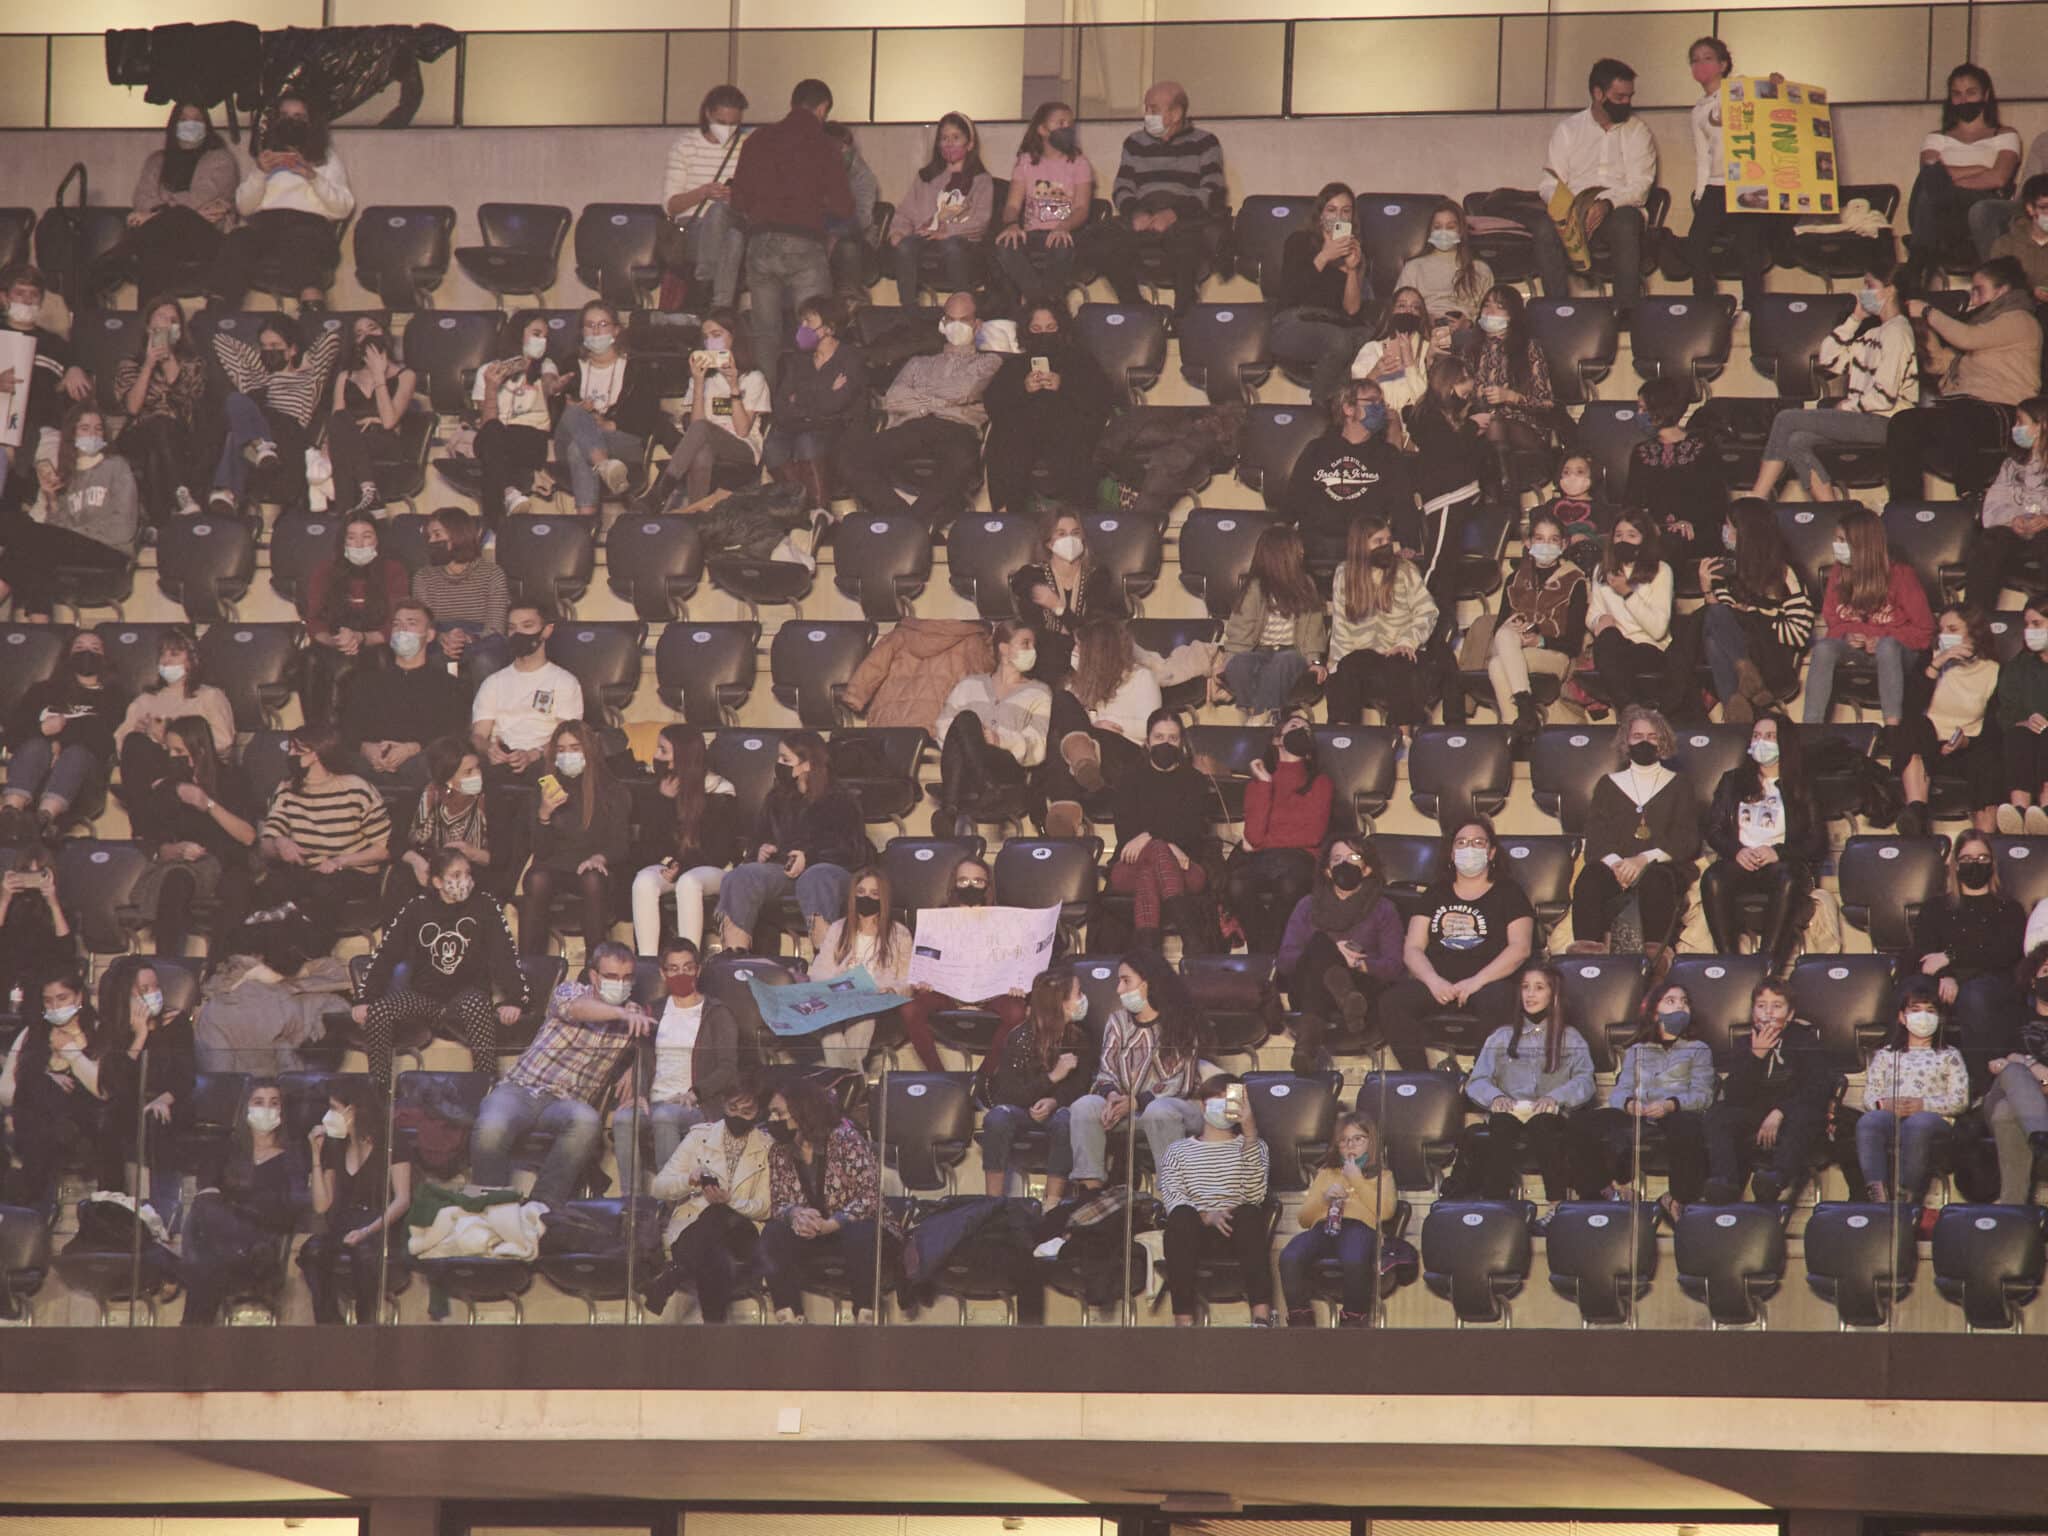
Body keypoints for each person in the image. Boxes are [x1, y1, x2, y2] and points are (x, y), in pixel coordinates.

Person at [471, 941, 651, 1206]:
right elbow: (578, 1010)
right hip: (522, 1088)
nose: (620, 984)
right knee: (491, 1127)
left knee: (588, 1121)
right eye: (612, 977)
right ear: (593, 976)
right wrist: (620, 1013)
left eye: (626, 978)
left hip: (566, 1103)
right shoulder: (570, 990)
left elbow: (651, 1046)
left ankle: (542, 1209)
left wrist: (637, 1070)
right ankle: (489, 1208)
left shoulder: (634, 1015)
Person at [1749, 259, 1920, 503]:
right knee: (1796, 440)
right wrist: (1855, 319)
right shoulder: (1873, 333)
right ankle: (1832, 511)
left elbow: (1885, 397)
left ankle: (1756, 498)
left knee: (1786, 418)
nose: (1864, 292)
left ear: (1890, 290)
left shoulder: (1898, 331)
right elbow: (1829, 360)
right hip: (1865, 418)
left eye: (1869, 285)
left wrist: (1847, 406)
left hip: (1888, 423)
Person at [1374, 819, 1537, 1072]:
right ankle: (1420, 1078)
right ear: (1451, 853)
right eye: (1461, 843)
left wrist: (1476, 982)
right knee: (1392, 1002)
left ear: (1491, 852)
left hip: (1489, 982)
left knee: (1501, 999)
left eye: (1477, 842)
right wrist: (1432, 981)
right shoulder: (1435, 893)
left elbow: (1520, 948)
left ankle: (1480, 1079)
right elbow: (1413, 947)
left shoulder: (1509, 892)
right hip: (1439, 981)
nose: (1468, 848)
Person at [354, 847, 524, 1087]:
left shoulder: (485, 906)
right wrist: (365, 997)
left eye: (467, 873)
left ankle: (484, 1089)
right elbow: (386, 954)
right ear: (437, 881)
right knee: (379, 1011)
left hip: (467, 998)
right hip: (425, 1000)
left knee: (477, 1003)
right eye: (455, 875)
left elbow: (504, 953)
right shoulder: (416, 908)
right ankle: (379, 1092)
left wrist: (515, 998)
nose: (464, 880)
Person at [836, 289, 1000, 530]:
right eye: (950, 319)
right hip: (912, 427)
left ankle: (907, 524)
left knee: (963, 461)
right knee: (849, 458)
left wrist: (920, 396)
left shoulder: (989, 362)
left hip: (956, 429)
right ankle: (909, 519)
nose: (956, 326)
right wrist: (939, 402)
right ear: (942, 323)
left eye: (963, 320)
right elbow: (893, 400)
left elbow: (963, 391)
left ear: (977, 325)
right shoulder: (918, 362)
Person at [731, 79, 851, 388]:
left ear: (793, 103)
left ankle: (764, 406)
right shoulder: (825, 144)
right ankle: (812, 398)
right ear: (822, 109)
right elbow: (843, 206)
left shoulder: (757, 139)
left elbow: (738, 200)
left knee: (765, 333)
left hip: (760, 244)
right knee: (814, 328)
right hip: (804, 243)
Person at [1892, 257, 2044, 500]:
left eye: (1978, 291)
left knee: (1961, 415)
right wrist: (1921, 330)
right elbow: (1941, 364)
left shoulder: (2020, 320)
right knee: (1903, 423)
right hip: (1965, 409)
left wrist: (1928, 311)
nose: (1972, 299)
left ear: (2002, 291)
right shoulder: (1981, 324)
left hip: (2006, 413)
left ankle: (1970, 496)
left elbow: (1967, 338)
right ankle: (1905, 508)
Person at [1448, 961, 1596, 1203]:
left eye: (1539, 987)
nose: (1530, 994)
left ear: (1553, 993)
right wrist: (1495, 1097)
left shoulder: (1571, 1037)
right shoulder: (1501, 1036)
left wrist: (1556, 1097)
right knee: (1501, 1125)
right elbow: (1478, 1080)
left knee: (1543, 1124)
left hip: (1550, 1113)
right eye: (1526, 987)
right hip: (1511, 1110)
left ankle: (1557, 1203)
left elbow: (1585, 1080)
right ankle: (1495, 1202)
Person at [755, 1076, 895, 1323]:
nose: (773, 1120)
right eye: (771, 1114)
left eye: (778, 1113)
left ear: (801, 1109)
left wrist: (833, 1223)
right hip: (814, 1232)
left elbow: (870, 1196)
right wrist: (795, 1214)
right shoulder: (779, 1150)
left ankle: (865, 1315)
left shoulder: (845, 1138)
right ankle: (790, 1316)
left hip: (855, 1226)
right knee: (773, 1233)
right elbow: (779, 1202)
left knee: (860, 1232)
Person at [612, 937, 747, 1191]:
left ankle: (669, 1200)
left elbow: (728, 1069)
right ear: (663, 974)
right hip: (654, 1101)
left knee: (665, 1117)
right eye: (673, 969)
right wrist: (640, 1093)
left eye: (687, 967)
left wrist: (694, 1094)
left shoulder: (717, 1013)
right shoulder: (652, 1011)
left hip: (697, 1103)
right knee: (622, 1119)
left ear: (698, 970)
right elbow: (643, 1058)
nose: (681, 974)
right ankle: (632, 1202)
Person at [1571, 984, 1715, 1221]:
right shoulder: (1637, 1050)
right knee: (1581, 1123)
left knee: (1687, 1126)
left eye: (1684, 1001)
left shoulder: (1699, 1049)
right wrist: (1629, 1104)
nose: (1679, 1005)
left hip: (1676, 1112)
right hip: (1639, 1112)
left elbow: (1703, 1095)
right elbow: (1620, 1092)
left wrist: (1670, 1104)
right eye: (1671, 1000)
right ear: (1655, 1012)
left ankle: (1676, 1199)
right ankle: (1603, 1191)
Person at [1067, 950, 1207, 1190]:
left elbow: (1179, 1084)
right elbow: (1106, 1072)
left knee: (1159, 1110)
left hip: (1175, 1109)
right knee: (1084, 1106)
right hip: (1127, 1109)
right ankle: (1090, 1192)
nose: (1119, 990)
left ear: (1148, 983)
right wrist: (1112, 1096)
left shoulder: (1182, 1021)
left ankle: (1173, 1196)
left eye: (1125, 980)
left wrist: (1136, 1102)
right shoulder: (1117, 1021)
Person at [716, 731, 864, 955]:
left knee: (815, 876)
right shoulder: (777, 797)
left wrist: (809, 856)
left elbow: (851, 850)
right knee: (742, 875)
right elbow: (759, 838)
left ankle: (826, 959)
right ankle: (735, 958)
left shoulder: (839, 798)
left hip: (830, 873)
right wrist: (761, 851)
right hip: (785, 872)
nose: (778, 764)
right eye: (779, 758)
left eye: (785, 759)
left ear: (806, 765)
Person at [250, 723, 391, 952]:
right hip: (307, 871)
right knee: (272, 886)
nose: (290, 756)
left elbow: (382, 850)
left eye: (297, 750)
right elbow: (266, 845)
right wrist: (280, 842)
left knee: (325, 889)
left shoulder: (357, 789)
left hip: (351, 873)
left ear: (316, 754)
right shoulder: (286, 789)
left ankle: (308, 952)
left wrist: (339, 861)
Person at [1698, 713, 1823, 970]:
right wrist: (1736, 852)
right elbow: (1714, 829)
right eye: (1756, 736)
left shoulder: (1801, 785)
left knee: (1788, 879)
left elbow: (1816, 840)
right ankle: (1729, 962)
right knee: (1712, 877)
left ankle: (1766, 965)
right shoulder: (1732, 780)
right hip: (1740, 860)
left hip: (1781, 864)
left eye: (1769, 736)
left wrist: (1779, 852)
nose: (1761, 741)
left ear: (1784, 743)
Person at [642, 1075, 772, 1321]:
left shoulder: (768, 1147)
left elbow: (765, 1207)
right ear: (723, 1105)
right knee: (713, 1256)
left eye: (746, 1111)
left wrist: (730, 1201)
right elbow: (659, 1187)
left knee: (719, 1212)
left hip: (743, 1235)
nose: (737, 1116)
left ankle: (672, 1275)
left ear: (759, 1111)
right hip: (694, 1233)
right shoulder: (699, 1138)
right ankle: (714, 1331)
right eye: (732, 1108)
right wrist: (689, 1180)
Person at [1530, 59, 1657, 310]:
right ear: (1598, 94)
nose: (1627, 103)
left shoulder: (1638, 132)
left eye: (1629, 97)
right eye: (1619, 97)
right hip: (1573, 211)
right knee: (1544, 229)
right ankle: (1559, 313)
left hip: (1618, 211)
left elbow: (1641, 186)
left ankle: (1626, 313)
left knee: (1626, 222)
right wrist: (1569, 208)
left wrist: (1608, 204)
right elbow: (1549, 183)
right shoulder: (1569, 129)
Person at [127, 715, 258, 956]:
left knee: (236, 889)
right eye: (169, 750)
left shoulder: (232, 779)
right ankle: (167, 964)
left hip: (228, 862)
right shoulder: (168, 787)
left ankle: (219, 967)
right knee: (175, 880)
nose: (173, 757)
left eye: (179, 750)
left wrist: (206, 803)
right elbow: (155, 843)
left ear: (199, 748)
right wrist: (176, 850)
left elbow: (248, 836)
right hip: (189, 865)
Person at [1570, 707, 1698, 952]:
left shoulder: (1679, 784)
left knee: (1657, 879)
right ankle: (1587, 958)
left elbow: (1687, 838)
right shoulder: (1608, 785)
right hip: (1615, 868)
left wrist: (1643, 859)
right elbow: (1596, 835)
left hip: (1662, 868)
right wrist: (1617, 864)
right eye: (1637, 736)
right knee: (1590, 877)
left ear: (1662, 742)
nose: (1645, 742)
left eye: (1652, 737)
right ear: (1626, 741)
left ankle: (1655, 957)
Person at [178, 1079, 306, 1325]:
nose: (266, 1109)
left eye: (273, 1103)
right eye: (258, 1102)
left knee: (204, 1259)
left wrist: (237, 1209)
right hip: (225, 1252)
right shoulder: (226, 1149)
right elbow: (206, 1192)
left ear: (282, 1110)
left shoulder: (292, 1157)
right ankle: (191, 1339)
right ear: (246, 1108)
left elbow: (289, 1211)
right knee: (204, 1214)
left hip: (262, 1249)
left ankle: (187, 1333)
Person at [1096, 81, 1227, 320]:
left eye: (1153, 109)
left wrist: (1173, 213)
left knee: (1188, 244)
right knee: (1103, 240)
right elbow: (1122, 187)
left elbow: (1212, 189)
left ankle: (1183, 318)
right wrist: (1136, 213)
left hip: (1184, 216)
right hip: (1143, 211)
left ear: (1176, 113)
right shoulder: (1134, 142)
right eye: (1146, 108)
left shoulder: (1205, 142)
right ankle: (1136, 310)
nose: (1147, 115)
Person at [209, 91, 352, 310]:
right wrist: (259, 173)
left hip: (310, 229)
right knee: (238, 240)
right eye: (284, 116)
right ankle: (217, 311)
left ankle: (312, 306)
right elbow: (244, 207)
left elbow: (343, 208)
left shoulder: (327, 159)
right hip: (266, 228)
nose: (290, 122)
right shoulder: (267, 156)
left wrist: (312, 176)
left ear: (310, 123)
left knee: (300, 240)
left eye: (298, 117)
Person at [1456, 508, 1588, 743]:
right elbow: (1498, 631)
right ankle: (1521, 721)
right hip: (1513, 651)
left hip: (1554, 655)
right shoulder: (1514, 579)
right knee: (1498, 657)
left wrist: (1541, 640)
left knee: (1500, 659)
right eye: (1539, 538)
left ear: (1564, 544)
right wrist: (1511, 626)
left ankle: (1519, 721)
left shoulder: (1575, 580)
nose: (1546, 544)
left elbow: (1574, 642)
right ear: (1528, 543)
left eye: (1553, 539)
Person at [1911, 829, 2026, 1092]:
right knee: (1911, 991)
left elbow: (2003, 953)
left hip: (1993, 984)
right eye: (1967, 858)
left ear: (1993, 864)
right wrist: (1947, 975)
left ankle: (1981, 1089)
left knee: (1974, 995)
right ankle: (1907, 1082)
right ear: (1955, 864)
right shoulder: (1935, 908)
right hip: (1946, 980)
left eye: (1983, 858)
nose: (1976, 865)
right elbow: (1926, 956)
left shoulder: (2009, 908)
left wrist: (1950, 957)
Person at [1701, 978, 1834, 1204]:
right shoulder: (1745, 1043)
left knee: (1806, 1115)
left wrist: (1780, 1111)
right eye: (1761, 1006)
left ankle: (1776, 1178)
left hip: (1792, 1113)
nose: (1768, 1013)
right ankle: (1726, 1182)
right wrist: (1756, 1056)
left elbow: (1818, 1087)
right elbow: (1735, 1094)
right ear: (1753, 1012)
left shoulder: (1804, 1039)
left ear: (1790, 1014)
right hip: (1754, 1112)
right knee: (1719, 1114)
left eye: (1777, 1006)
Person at [1277, 834, 1405, 1067]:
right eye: (1337, 859)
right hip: (1310, 988)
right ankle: (1345, 997)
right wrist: (1333, 953)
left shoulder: (1384, 909)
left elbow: (1394, 967)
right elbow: (1285, 962)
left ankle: (1306, 1046)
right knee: (1320, 944)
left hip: (1362, 991)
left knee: (1320, 950)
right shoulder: (1307, 906)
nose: (1345, 864)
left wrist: (1357, 964)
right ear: (1327, 871)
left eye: (1354, 857)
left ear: (1366, 869)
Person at [1157, 1073, 1273, 1326]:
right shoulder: (1178, 1151)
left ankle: (1262, 1316)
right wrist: (1207, 1216)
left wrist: (1250, 1131)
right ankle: (1183, 1319)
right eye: (1216, 1100)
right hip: (1194, 1232)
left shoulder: (1254, 1145)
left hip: (1237, 1229)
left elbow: (1255, 1194)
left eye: (1229, 1100)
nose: (1223, 1106)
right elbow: (1173, 1197)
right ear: (1202, 1104)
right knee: (1180, 1217)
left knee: (1251, 1214)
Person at [1803, 507, 1934, 728]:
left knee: (1887, 646)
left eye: (1842, 540)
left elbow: (1925, 632)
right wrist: (1846, 636)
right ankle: (1810, 728)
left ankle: (1893, 727)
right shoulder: (1839, 572)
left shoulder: (1901, 575)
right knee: (1824, 647)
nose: (1836, 546)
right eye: (1836, 539)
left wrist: (1881, 637)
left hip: (1897, 653)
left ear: (1862, 545)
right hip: (1857, 650)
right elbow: (1832, 620)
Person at [3, 412, 142, 620]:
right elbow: (57, 528)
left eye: (98, 429)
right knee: (31, 547)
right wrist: (51, 499)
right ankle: (41, 629)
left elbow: (123, 530)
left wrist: (72, 532)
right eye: (85, 428)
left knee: (25, 534)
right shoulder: (69, 476)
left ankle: (40, 625)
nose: (92, 434)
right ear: (72, 435)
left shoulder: (117, 466)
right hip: (76, 551)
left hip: (112, 554)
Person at [899, 855, 1030, 1074]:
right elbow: (926, 961)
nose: (970, 886)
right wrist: (924, 981)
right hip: (948, 993)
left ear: (988, 886)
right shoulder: (938, 920)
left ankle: (983, 1079)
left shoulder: (1005, 920)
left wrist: (1018, 984)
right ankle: (938, 1075)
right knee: (910, 1008)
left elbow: (1016, 963)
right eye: (963, 880)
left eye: (978, 881)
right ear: (954, 884)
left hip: (991, 994)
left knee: (1017, 1012)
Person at [983, 298, 1113, 517]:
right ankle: (1006, 515)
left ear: (1061, 328)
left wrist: (1065, 384)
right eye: (1036, 329)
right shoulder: (1015, 365)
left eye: (1051, 328)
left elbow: (1101, 399)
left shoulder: (1081, 360)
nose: (1044, 334)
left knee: (1076, 446)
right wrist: (1022, 388)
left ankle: (1080, 518)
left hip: (1068, 431)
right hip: (1023, 435)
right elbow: (993, 403)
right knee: (1005, 439)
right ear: (1026, 331)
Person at [0, 970, 117, 1214]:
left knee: (42, 1113)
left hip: (79, 1125)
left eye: (62, 998)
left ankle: (26, 1202)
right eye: (48, 1000)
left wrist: (71, 1053)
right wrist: (42, 1078)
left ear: (79, 997)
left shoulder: (99, 1033)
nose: (55, 1006)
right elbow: (5, 1089)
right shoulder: (32, 1034)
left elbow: (103, 1089)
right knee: (42, 1095)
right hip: (38, 1128)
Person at [298, 1079, 412, 1325]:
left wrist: (366, 1231)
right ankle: (329, 1323)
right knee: (312, 1251)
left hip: (380, 1224)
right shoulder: (334, 1145)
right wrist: (316, 1157)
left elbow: (402, 1200)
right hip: (343, 1223)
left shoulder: (392, 1142)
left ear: (355, 1110)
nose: (329, 1116)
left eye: (335, 1109)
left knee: (365, 1254)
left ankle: (366, 1326)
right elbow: (321, 1205)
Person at [1856, 984, 1969, 1232]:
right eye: (1915, 1010)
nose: (1923, 1016)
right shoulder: (1886, 1055)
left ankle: (1906, 1200)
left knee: (1919, 1124)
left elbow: (1960, 1100)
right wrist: (1884, 1104)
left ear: (1939, 1018)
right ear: (1901, 1017)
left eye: (1930, 1010)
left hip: (1934, 1120)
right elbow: (1870, 1095)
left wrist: (1922, 1105)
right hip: (1892, 1116)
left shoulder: (1950, 1055)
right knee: (1869, 1121)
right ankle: (1879, 1199)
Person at [205, 312, 340, 513]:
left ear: (292, 349)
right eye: (264, 346)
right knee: (235, 402)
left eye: (275, 346)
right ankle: (260, 447)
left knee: (239, 420)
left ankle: (226, 489)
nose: (269, 351)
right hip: (260, 440)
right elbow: (220, 340)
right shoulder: (256, 377)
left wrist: (305, 361)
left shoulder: (310, 379)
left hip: (289, 433)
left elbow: (332, 337)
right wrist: (260, 363)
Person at [976, 969, 1093, 1201]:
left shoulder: (1080, 1038)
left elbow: (1081, 1086)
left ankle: (1051, 1204)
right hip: (1022, 1108)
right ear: (1060, 1003)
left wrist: (1054, 1101)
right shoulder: (1019, 1037)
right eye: (1078, 994)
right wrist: (1051, 1078)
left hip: (1058, 1110)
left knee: (1065, 1120)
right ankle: (991, 1203)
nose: (1083, 999)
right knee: (997, 1118)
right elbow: (1006, 1093)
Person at [518, 719, 630, 958]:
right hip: (555, 866)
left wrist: (600, 858)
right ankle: (528, 970)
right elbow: (540, 850)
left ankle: (595, 965)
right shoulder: (544, 790)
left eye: (575, 748)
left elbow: (621, 843)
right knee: (537, 878)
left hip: (594, 866)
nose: (567, 754)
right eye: (561, 749)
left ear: (589, 750)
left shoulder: (612, 790)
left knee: (592, 879)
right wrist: (544, 815)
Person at [931, 620, 1053, 838]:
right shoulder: (969, 685)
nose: (1031, 650)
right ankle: (983, 787)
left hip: (1006, 766)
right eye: (1025, 644)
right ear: (1004, 648)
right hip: (965, 768)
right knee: (965, 719)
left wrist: (999, 740)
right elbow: (942, 729)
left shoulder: (1039, 692)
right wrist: (976, 737)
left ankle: (949, 810)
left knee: (966, 721)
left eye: (1034, 645)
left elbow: (1039, 745)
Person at [1, 627, 126, 839]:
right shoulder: (43, 691)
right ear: (68, 654)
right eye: (79, 647)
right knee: (36, 746)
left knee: (76, 753)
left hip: (84, 780)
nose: (87, 652)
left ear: (105, 657)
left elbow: (104, 739)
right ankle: (10, 814)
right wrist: (42, 731)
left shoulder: (114, 697)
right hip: (34, 768)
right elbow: (12, 735)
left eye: (95, 648)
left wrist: (59, 740)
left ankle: (44, 819)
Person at [1699, 498, 1814, 724]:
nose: (1724, 532)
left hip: (1773, 662)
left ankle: (1735, 708)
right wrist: (1707, 589)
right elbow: (1719, 622)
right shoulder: (1726, 570)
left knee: (1717, 628)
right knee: (1713, 633)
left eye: (1729, 527)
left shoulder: (1784, 574)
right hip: (1739, 658)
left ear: (1746, 533)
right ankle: (1740, 695)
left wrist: (1756, 617)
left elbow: (1799, 633)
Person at [1904, 65, 2022, 286]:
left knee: (1933, 190)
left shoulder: (2005, 135)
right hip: (1941, 214)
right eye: (1957, 94)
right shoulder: (1935, 137)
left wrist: (1949, 177)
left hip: (1981, 207)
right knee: (1930, 184)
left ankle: (1915, 266)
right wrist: (1979, 167)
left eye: (1971, 92)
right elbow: (1929, 174)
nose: (1964, 100)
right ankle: (1918, 269)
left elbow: (1998, 179)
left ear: (1985, 95)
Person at [629, 726, 741, 957]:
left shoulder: (719, 790)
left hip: (714, 869)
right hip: (674, 866)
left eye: (664, 750)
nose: (657, 756)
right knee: (644, 881)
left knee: (689, 882)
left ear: (683, 756)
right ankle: (648, 961)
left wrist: (681, 866)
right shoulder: (660, 789)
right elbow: (648, 847)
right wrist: (663, 802)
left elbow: (718, 852)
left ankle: (688, 961)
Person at [1227, 710, 1333, 955]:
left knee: (1290, 884)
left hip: (1301, 859)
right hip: (1263, 860)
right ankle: (1263, 954)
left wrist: (1264, 842)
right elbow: (1252, 835)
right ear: (1277, 739)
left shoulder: (1320, 782)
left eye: (1305, 731)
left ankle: (1268, 956)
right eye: (1294, 726)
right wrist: (1264, 783)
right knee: (1237, 885)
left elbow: (1313, 835)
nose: (1300, 732)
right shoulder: (1259, 783)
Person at [99, 964, 196, 1227]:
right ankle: (117, 1211)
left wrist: (165, 1097)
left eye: (156, 987)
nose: (154, 993)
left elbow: (185, 1076)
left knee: (154, 1120)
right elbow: (117, 1083)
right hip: (129, 1105)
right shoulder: (113, 1030)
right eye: (144, 989)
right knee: (115, 1118)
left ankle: (158, 1215)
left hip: (170, 1103)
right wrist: (140, 1035)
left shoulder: (176, 1024)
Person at [1289, 380, 1420, 575]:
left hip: (1366, 551)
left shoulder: (1388, 456)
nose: (1381, 408)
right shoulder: (1317, 450)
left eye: (1381, 403)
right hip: (1318, 548)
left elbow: (1403, 505)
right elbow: (1294, 499)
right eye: (1373, 401)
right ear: (1348, 408)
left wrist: (1408, 543)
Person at [109, 104, 237, 302]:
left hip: (205, 238)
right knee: (156, 249)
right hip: (163, 238)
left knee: (179, 217)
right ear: (173, 125)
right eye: (184, 120)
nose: (190, 124)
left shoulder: (221, 159)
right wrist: (166, 214)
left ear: (207, 125)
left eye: (197, 120)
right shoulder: (156, 160)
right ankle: (149, 321)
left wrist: (154, 215)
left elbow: (202, 197)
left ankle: (110, 263)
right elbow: (142, 198)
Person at [644, 308, 769, 510]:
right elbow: (694, 428)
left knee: (703, 431)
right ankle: (696, 517)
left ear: (734, 337)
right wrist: (699, 382)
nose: (710, 342)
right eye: (706, 337)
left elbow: (743, 430)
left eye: (717, 335)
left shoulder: (754, 378)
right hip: (706, 439)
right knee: (701, 451)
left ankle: (661, 490)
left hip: (742, 447)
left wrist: (734, 387)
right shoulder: (703, 377)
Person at [1108, 709, 1213, 951]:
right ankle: (1191, 935)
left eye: (1172, 738)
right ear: (1147, 741)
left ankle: (1148, 954)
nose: (1165, 743)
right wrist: (1166, 843)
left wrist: (1148, 835)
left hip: (1187, 868)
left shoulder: (1194, 781)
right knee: (1154, 854)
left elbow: (1192, 830)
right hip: (1129, 867)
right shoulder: (1129, 779)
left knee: (1150, 870)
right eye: (1159, 737)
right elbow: (1126, 835)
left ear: (1181, 743)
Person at [545, 300, 660, 520]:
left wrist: (610, 424)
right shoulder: (569, 365)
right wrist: (562, 401)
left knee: (579, 450)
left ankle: (584, 524)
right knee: (575, 413)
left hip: (621, 442)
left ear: (616, 330)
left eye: (603, 324)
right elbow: (553, 412)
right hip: (570, 435)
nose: (596, 331)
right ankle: (603, 464)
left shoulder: (637, 369)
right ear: (581, 331)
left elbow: (648, 418)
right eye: (590, 325)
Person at [1895, 605, 2003, 837]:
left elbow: (1995, 728)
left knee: (1988, 757)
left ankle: (1984, 839)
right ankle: (1916, 813)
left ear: (1973, 633)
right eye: (1942, 630)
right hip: (1926, 745)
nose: (1945, 635)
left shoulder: (1994, 671)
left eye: (1953, 629)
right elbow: (1910, 706)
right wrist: (1936, 664)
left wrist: (1966, 743)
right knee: (1913, 726)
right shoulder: (1930, 660)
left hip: (1968, 747)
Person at [1324, 516, 1438, 733]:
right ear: (1361, 544)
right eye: (1378, 541)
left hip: (1402, 651)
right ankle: (1342, 738)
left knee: (1399, 665)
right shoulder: (1343, 573)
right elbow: (1341, 625)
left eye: (1388, 540)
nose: (1386, 546)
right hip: (1365, 655)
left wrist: (1408, 641)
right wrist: (1336, 664)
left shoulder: (1405, 570)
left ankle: (1402, 736)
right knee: (1346, 668)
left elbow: (1428, 612)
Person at [1682, 37, 1771, 314]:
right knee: (1696, 242)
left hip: (1747, 182)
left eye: (1708, 58)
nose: (1701, 64)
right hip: (1716, 185)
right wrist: (1699, 194)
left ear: (1722, 64)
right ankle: (1705, 306)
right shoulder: (1698, 110)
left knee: (1748, 246)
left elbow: (1775, 100)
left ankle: (1752, 308)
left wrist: (1776, 83)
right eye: (1695, 60)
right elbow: (1703, 157)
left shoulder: (1741, 88)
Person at [340, 600, 467, 788]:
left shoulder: (447, 684)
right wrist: (366, 748)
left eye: (411, 623)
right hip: (370, 762)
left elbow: (452, 732)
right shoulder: (366, 681)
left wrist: (412, 748)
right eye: (397, 624)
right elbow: (348, 728)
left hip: (419, 764)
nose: (402, 630)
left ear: (430, 635)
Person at [302, 512, 410, 727]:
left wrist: (362, 638)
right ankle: (320, 732)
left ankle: (378, 730)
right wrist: (336, 641)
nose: (359, 544)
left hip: (377, 641)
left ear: (377, 539)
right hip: (335, 641)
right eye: (351, 537)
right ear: (343, 541)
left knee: (380, 659)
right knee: (310, 660)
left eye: (367, 536)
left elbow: (396, 622)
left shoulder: (394, 570)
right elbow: (315, 620)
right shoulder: (325, 570)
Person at [760, 295, 866, 508]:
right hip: (799, 424)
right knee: (773, 445)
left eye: (809, 322)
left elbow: (836, 405)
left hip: (837, 427)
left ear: (829, 328)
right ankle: (801, 508)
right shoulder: (797, 359)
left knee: (807, 442)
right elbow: (781, 404)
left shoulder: (850, 357)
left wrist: (801, 400)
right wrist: (826, 391)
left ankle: (819, 509)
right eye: (802, 322)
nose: (803, 327)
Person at [804, 866, 914, 1066]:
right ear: (853, 895)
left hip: (878, 1003)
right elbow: (820, 970)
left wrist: (892, 989)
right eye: (861, 892)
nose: (867, 898)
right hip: (840, 997)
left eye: (874, 894)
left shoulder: (900, 933)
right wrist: (832, 988)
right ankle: (850, 1079)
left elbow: (908, 979)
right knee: (829, 1016)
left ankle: (842, 1077)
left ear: (884, 899)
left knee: (861, 1012)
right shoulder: (838, 928)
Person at [111, 295, 208, 522]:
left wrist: (166, 359)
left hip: (180, 434)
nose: (166, 324)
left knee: (158, 449)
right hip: (137, 432)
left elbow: (188, 397)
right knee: (158, 426)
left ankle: (159, 522)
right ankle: (181, 493)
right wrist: (148, 364)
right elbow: (133, 407)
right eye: (161, 317)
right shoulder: (128, 364)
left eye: (173, 320)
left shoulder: (193, 363)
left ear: (180, 331)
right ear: (148, 326)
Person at [1219, 525, 1328, 725]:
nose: (1302, 552)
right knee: (1240, 665)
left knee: (1284, 661)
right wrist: (1229, 661)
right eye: (1298, 548)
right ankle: (1258, 712)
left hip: (1293, 653)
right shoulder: (1255, 588)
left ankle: (1261, 715)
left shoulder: (1306, 585)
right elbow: (1241, 629)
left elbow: (1314, 631)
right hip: (1260, 651)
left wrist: (1316, 662)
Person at [1280, 1113, 1380, 1328]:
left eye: (1358, 1139)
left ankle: (1354, 1318)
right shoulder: (1326, 1173)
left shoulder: (1382, 1175)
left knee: (1354, 1254)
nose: (1350, 1145)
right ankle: (1301, 1319)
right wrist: (1324, 1200)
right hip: (1322, 1229)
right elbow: (1304, 1218)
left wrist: (1356, 1179)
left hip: (1358, 1230)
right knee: (1290, 1255)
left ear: (1371, 1143)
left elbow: (1386, 1211)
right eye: (1344, 1141)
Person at [887, 112, 994, 307]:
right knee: (905, 247)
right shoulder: (926, 176)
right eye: (944, 138)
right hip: (925, 236)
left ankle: (964, 308)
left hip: (963, 239)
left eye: (956, 138)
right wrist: (898, 232)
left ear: (969, 144)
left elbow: (981, 220)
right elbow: (906, 211)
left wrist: (948, 232)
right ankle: (909, 310)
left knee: (952, 247)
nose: (949, 143)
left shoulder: (982, 180)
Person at [469, 603, 585, 782]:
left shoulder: (564, 682)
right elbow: (478, 736)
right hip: (501, 760)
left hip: (543, 760)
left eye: (527, 626)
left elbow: (567, 737)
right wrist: (489, 748)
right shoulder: (493, 682)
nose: (519, 634)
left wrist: (533, 754)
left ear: (546, 631)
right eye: (512, 628)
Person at [1048, 617, 1158, 804]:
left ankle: (1065, 807)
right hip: (1084, 764)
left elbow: (1152, 729)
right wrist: (1094, 726)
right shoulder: (1072, 683)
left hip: (1125, 757)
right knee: (1062, 701)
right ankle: (1066, 811)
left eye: (1078, 646)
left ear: (1095, 653)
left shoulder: (1141, 677)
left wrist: (1108, 724)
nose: (1074, 651)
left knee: (1094, 736)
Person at [1009, 507, 1123, 685]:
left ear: (1083, 539)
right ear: (1048, 542)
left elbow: (1091, 633)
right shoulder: (1030, 576)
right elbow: (1036, 632)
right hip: (1047, 662)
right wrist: (1073, 629)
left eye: (1075, 533)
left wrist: (1057, 607)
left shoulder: (1097, 576)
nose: (1069, 539)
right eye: (1061, 534)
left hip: (1089, 660)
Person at [115, 628, 236, 797]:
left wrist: (167, 737)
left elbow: (224, 741)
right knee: (135, 743)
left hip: (195, 770)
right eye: (162, 655)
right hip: (150, 771)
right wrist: (137, 730)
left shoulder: (210, 696)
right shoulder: (145, 701)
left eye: (174, 654)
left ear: (192, 661)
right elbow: (121, 743)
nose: (165, 661)